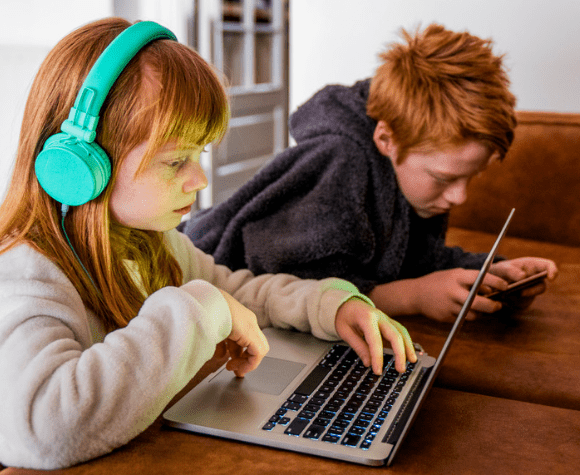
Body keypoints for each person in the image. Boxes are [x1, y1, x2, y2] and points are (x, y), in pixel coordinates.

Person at [0, 18, 417, 470]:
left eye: (198, 155)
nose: (198, 179)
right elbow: (42, 430)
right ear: (79, 168)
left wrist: (329, 306)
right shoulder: (28, 274)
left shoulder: (149, 244)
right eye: (177, 160)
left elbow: (236, 290)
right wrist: (198, 308)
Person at [181, 23, 557, 323]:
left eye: (470, 178)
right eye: (444, 179)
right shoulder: (341, 163)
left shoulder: (412, 182)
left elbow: (415, 260)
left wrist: (493, 272)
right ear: (386, 139)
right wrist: (414, 297)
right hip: (201, 278)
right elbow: (294, 285)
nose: (460, 197)